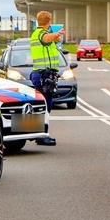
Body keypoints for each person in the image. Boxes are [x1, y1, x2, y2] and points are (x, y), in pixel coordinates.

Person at [30, 11, 66, 146]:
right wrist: (56, 34)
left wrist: (56, 37)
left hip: (44, 74)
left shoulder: (39, 33)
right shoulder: (40, 34)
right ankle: (41, 135)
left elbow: (52, 40)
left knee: (45, 105)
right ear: (49, 21)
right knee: (45, 105)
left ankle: (40, 133)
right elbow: (46, 39)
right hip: (42, 74)